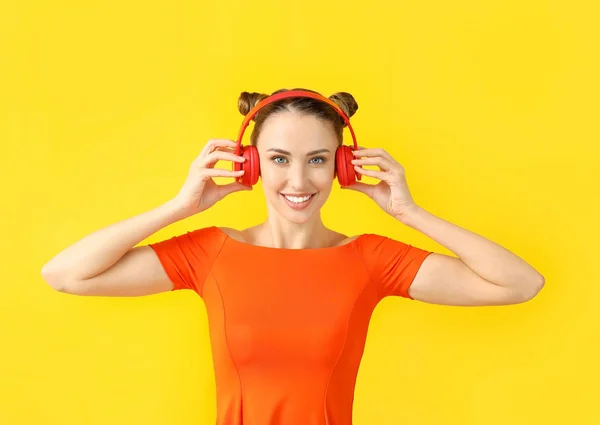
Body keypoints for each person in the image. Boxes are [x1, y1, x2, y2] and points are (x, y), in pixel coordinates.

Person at [41, 88, 545, 425]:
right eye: (280, 159)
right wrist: (178, 208)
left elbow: (520, 284)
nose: (299, 182)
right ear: (253, 163)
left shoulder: (370, 259)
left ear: (343, 166)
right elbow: (65, 274)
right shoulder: (210, 252)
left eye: (318, 160)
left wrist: (411, 214)